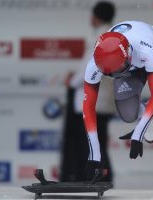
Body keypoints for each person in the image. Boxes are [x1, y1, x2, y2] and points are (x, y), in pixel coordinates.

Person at [83, 20, 153, 195]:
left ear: (128, 56)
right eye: (111, 75)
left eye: (119, 71)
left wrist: (138, 135)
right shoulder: (94, 64)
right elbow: (88, 108)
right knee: (127, 112)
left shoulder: (146, 52)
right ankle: (146, 115)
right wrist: (94, 154)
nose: (117, 76)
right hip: (129, 62)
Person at [60, 1, 116, 182]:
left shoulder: (101, 37)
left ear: (96, 17)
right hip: (102, 101)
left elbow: (89, 69)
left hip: (93, 102)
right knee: (97, 144)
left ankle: (97, 180)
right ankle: (100, 179)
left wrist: (71, 81)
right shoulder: (112, 36)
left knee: (91, 146)